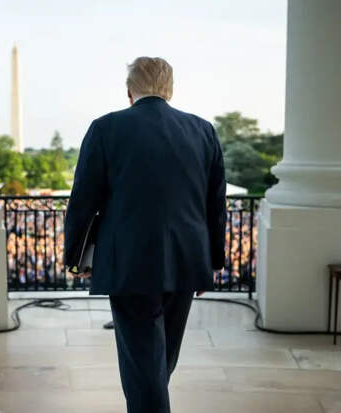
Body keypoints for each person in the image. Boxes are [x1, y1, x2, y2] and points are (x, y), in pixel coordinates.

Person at [64, 57, 226, 413]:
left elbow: (83, 200)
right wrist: (213, 261)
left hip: (128, 260)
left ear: (129, 91)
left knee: (143, 362)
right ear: (170, 90)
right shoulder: (203, 131)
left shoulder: (105, 128)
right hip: (187, 258)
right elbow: (215, 204)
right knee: (161, 359)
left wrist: (76, 258)